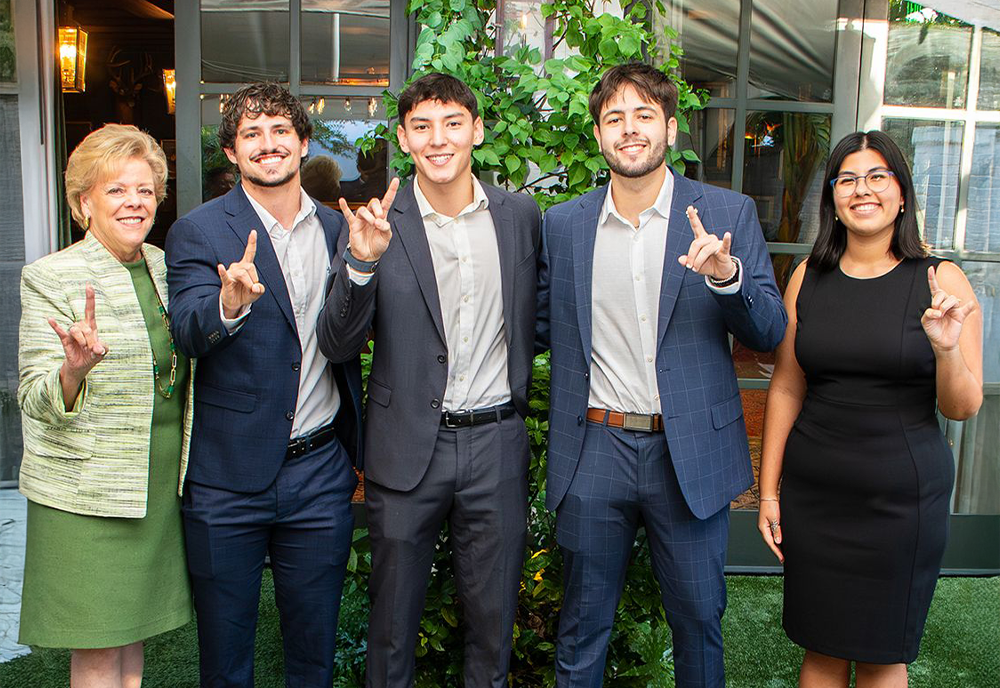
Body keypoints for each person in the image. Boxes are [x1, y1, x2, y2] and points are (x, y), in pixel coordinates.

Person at [535, 63, 787, 688]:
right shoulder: (564, 225)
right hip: (596, 444)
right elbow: (538, 325)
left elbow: (770, 331)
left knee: (699, 622)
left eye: (644, 115)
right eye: (615, 118)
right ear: (598, 135)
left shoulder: (727, 212)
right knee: (582, 627)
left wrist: (727, 279)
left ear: (671, 129)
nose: (630, 129)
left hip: (691, 452)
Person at [317, 72, 541, 688]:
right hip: (407, 446)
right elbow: (336, 343)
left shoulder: (519, 215)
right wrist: (361, 261)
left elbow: (536, 319)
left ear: (476, 129)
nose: (438, 139)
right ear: (403, 137)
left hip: (496, 444)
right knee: (391, 631)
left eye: (451, 123)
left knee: (493, 629)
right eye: (422, 126)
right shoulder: (374, 221)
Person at [757, 130, 982, 687]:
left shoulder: (939, 279)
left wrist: (946, 348)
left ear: (902, 192)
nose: (863, 190)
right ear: (832, 196)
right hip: (816, 497)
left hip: (901, 503)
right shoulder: (809, 277)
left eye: (878, 176)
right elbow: (787, 386)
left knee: (884, 655)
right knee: (822, 648)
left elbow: (962, 406)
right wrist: (768, 491)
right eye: (848, 178)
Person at [165, 82, 365, 687]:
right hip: (226, 480)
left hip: (318, 473)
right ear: (231, 151)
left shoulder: (339, 230)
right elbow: (188, 330)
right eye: (251, 133)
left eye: (280, 130)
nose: (267, 143)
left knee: (313, 654)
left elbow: (351, 336)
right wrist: (227, 306)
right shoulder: (197, 232)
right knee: (226, 661)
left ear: (303, 142)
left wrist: (364, 265)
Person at [17, 123, 193, 687]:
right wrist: (72, 370)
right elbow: (33, 395)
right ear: (83, 201)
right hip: (87, 490)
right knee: (97, 642)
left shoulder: (168, 267)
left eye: (144, 190)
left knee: (130, 630)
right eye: (116, 190)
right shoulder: (51, 276)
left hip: (158, 480)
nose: (134, 202)